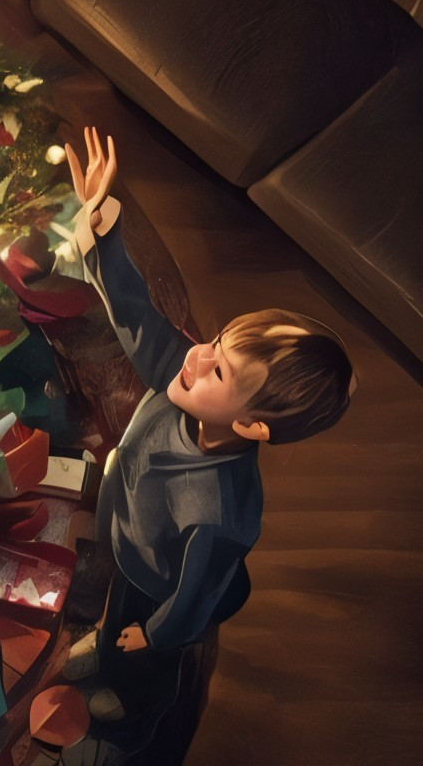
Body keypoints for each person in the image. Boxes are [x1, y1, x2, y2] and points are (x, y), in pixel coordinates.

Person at [60, 126, 354, 721]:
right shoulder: (185, 383)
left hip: (159, 582)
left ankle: (134, 711)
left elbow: (195, 593)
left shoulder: (221, 513)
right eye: (216, 342)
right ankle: (111, 647)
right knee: (117, 610)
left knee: (140, 649)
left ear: (251, 426)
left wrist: (160, 635)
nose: (195, 355)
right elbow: (137, 315)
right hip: (130, 542)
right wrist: (102, 229)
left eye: (219, 370)